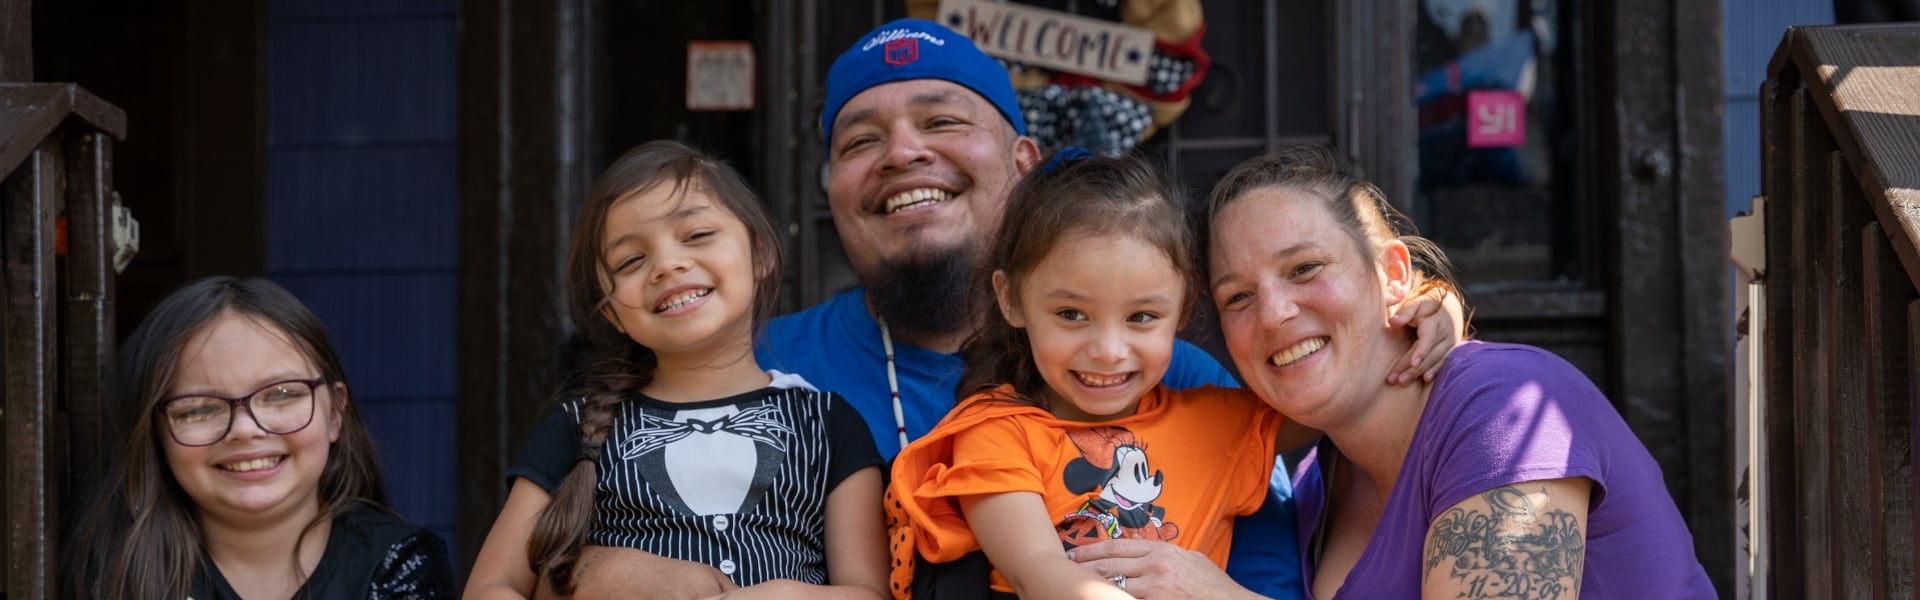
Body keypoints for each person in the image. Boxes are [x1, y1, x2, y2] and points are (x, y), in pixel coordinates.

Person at [567, 19, 1461, 599]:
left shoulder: (1177, 386)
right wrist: (583, 572)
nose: (903, 152)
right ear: (831, 188)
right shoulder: (750, 370)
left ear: (1024, 162)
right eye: (862, 139)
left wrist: (1405, 331)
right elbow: (571, 542)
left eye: (942, 122)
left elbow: (1301, 481)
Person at [1067, 145, 1716, 598]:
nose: (1273, 312)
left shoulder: (1506, 406)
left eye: (1304, 269)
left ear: (1395, 274)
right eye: (1237, 296)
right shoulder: (1315, 481)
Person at [886, 150, 1324, 600]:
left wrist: (1371, 321)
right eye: (1071, 314)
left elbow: (1337, 403)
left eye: (1141, 317)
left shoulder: (1220, 426)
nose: (1109, 352)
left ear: (1183, 307)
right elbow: (1037, 572)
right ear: (1011, 299)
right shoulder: (997, 435)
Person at [465, 140, 889, 599]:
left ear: (762, 254)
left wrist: (788, 596)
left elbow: (870, 592)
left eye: (697, 234)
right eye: (631, 260)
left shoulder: (829, 423)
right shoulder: (578, 427)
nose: (667, 265)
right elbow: (491, 586)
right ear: (610, 313)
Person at [63, 276, 455, 600]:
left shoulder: (397, 563)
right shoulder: (113, 572)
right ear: (154, 434)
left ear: (335, 413)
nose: (245, 429)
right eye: (198, 409)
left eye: (281, 395)